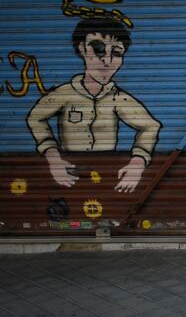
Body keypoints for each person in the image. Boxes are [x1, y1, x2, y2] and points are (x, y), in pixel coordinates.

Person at [27, 18, 162, 193]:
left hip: (106, 173)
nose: (107, 61)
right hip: (69, 172)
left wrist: (138, 162)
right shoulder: (64, 93)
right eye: (98, 49)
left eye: (117, 53)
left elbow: (151, 125)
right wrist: (53, 157)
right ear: (82, 48)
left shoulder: (118, 98)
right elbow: (36, 118)